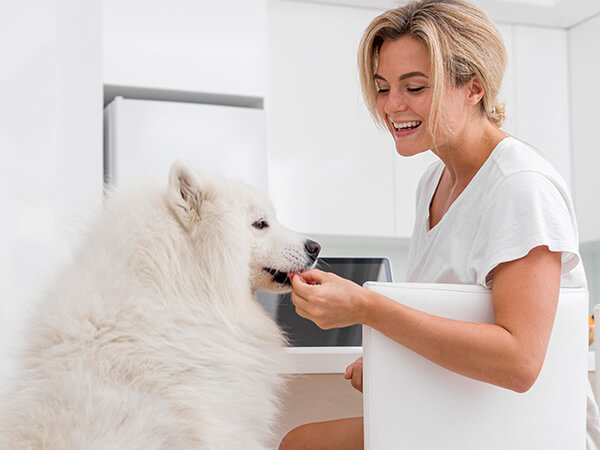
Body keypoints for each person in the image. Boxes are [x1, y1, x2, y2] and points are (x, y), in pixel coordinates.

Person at [278, 0, 600, 449]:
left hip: (527, 430)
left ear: (474, 88)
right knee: (302, 442)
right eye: (383, 87)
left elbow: (519, 360)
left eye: (415, 87)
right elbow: (452, 323)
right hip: (471, 418)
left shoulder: (519, 185)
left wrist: (368, 308)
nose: (392, 106)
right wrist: (395, 360)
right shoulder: (434, 181)